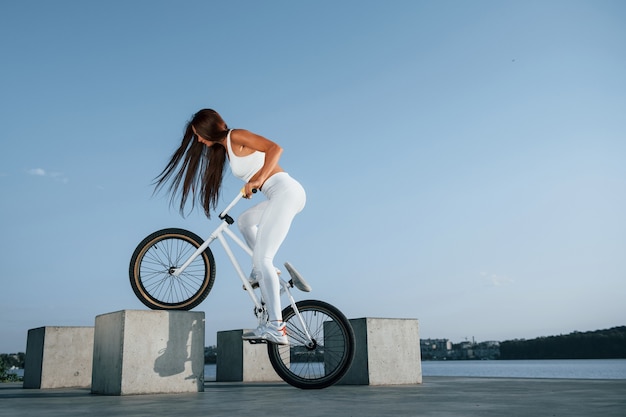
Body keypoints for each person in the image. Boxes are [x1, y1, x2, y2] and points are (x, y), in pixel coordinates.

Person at [154, 109, 306, 345]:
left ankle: (277, 327)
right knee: (245, 222)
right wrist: (255, 183)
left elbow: (275, 148)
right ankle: (263, 272)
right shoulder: (225, 148)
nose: (198, 140)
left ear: (208, 128)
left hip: (286, 192)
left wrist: (256, 180)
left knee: (263, 258)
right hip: (277, 194)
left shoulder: (236, 136)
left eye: (198, 134)